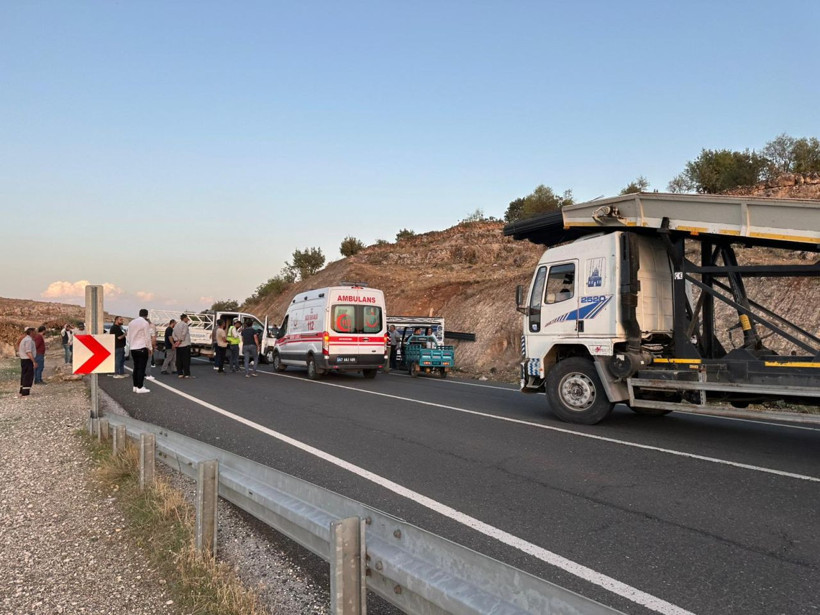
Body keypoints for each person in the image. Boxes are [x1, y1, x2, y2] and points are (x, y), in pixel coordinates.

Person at [126, 309, 152, 393]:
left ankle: (135, 386)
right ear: (146, 315)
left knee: (136, 367)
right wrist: (150, 348)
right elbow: (147, 337)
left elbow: (128, 336)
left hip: (133, 348)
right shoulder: (145, 323)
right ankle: (140, 387)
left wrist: (131, 344)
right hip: (141, 347)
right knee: (141, 368)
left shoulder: (131, 323)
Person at [173, 313, 193, 378]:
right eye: (187, 318)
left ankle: (180, 373)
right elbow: (184, 333)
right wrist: (180, 340)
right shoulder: (185, 325)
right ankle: (187, 374)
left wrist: (177, 340)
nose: (187, 319)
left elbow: (173, 335)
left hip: (179, 346)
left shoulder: (176, 325)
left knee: (179, 360)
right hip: (185, 344)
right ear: (184, 318)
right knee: (186, 360)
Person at [18, 328, 36, 397]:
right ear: (31, 332)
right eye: (34, 332)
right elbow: (28, 351)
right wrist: (34, 361)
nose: (35, 333)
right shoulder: (28, 340)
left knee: (24, 375)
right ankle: (25, 391)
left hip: (24, 359)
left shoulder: (25, 339)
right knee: (28, 375)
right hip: (27, 359)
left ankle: (22, 390)